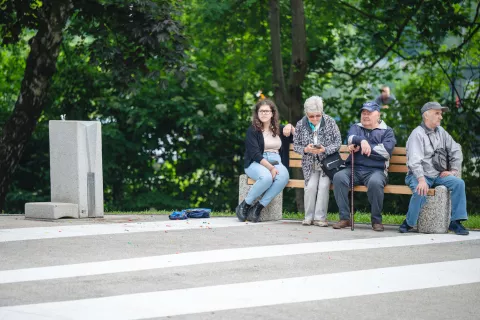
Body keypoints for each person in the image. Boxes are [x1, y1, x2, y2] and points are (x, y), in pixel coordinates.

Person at [399, 102, 468, 235]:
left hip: (437, 175)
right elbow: (414, 161)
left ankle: (455, 222)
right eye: (437, 113)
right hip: (418, 175)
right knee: (420, 191)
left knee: (459, 183)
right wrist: (421, 179)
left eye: (441, 114)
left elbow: (456, 150)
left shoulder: (441, 131)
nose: (440, 117)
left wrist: (453, 170)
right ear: (426, 115)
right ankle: (408, 222)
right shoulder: (417, 134)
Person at [332, 101, 396, 231]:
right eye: (363, 113)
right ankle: (345, 218)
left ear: (378, 115)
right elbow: (351, 138)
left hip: (376, 171)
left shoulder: (387, 131)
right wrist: (362, 141)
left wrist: (365, 147)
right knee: (339, 177)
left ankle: (376, 220)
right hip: (354, 169)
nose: (365, 116)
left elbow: (385, 152)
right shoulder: (356, 127)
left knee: (375, 183)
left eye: (369, 113)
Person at [236, 99, 294, 223]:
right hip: (256, 162)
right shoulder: (252, 131)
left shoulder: (280, 130)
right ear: (257, 113)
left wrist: (291, 127)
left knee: (283, 177)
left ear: (272, 113)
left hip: (276, 160)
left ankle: (258, 207)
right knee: (266, 177)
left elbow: (298, 139)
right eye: (261, 111)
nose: (264, 113)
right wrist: (271, 168)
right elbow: (255, 154)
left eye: (267, 111)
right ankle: (245, 204)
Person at [293, 96, 341, 226]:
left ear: (322, 112)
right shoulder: (300, 124)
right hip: (310, 164)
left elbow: (338, 143)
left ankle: (320, 218)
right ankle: (308, 217)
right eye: (311, 116)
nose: (314, 119)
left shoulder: (330, 122)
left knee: (324, 186)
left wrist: (324, 149)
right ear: (306, 114)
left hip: (327, 164)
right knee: (310, 187)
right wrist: (305, 149)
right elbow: (296, 146)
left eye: (317, 116)